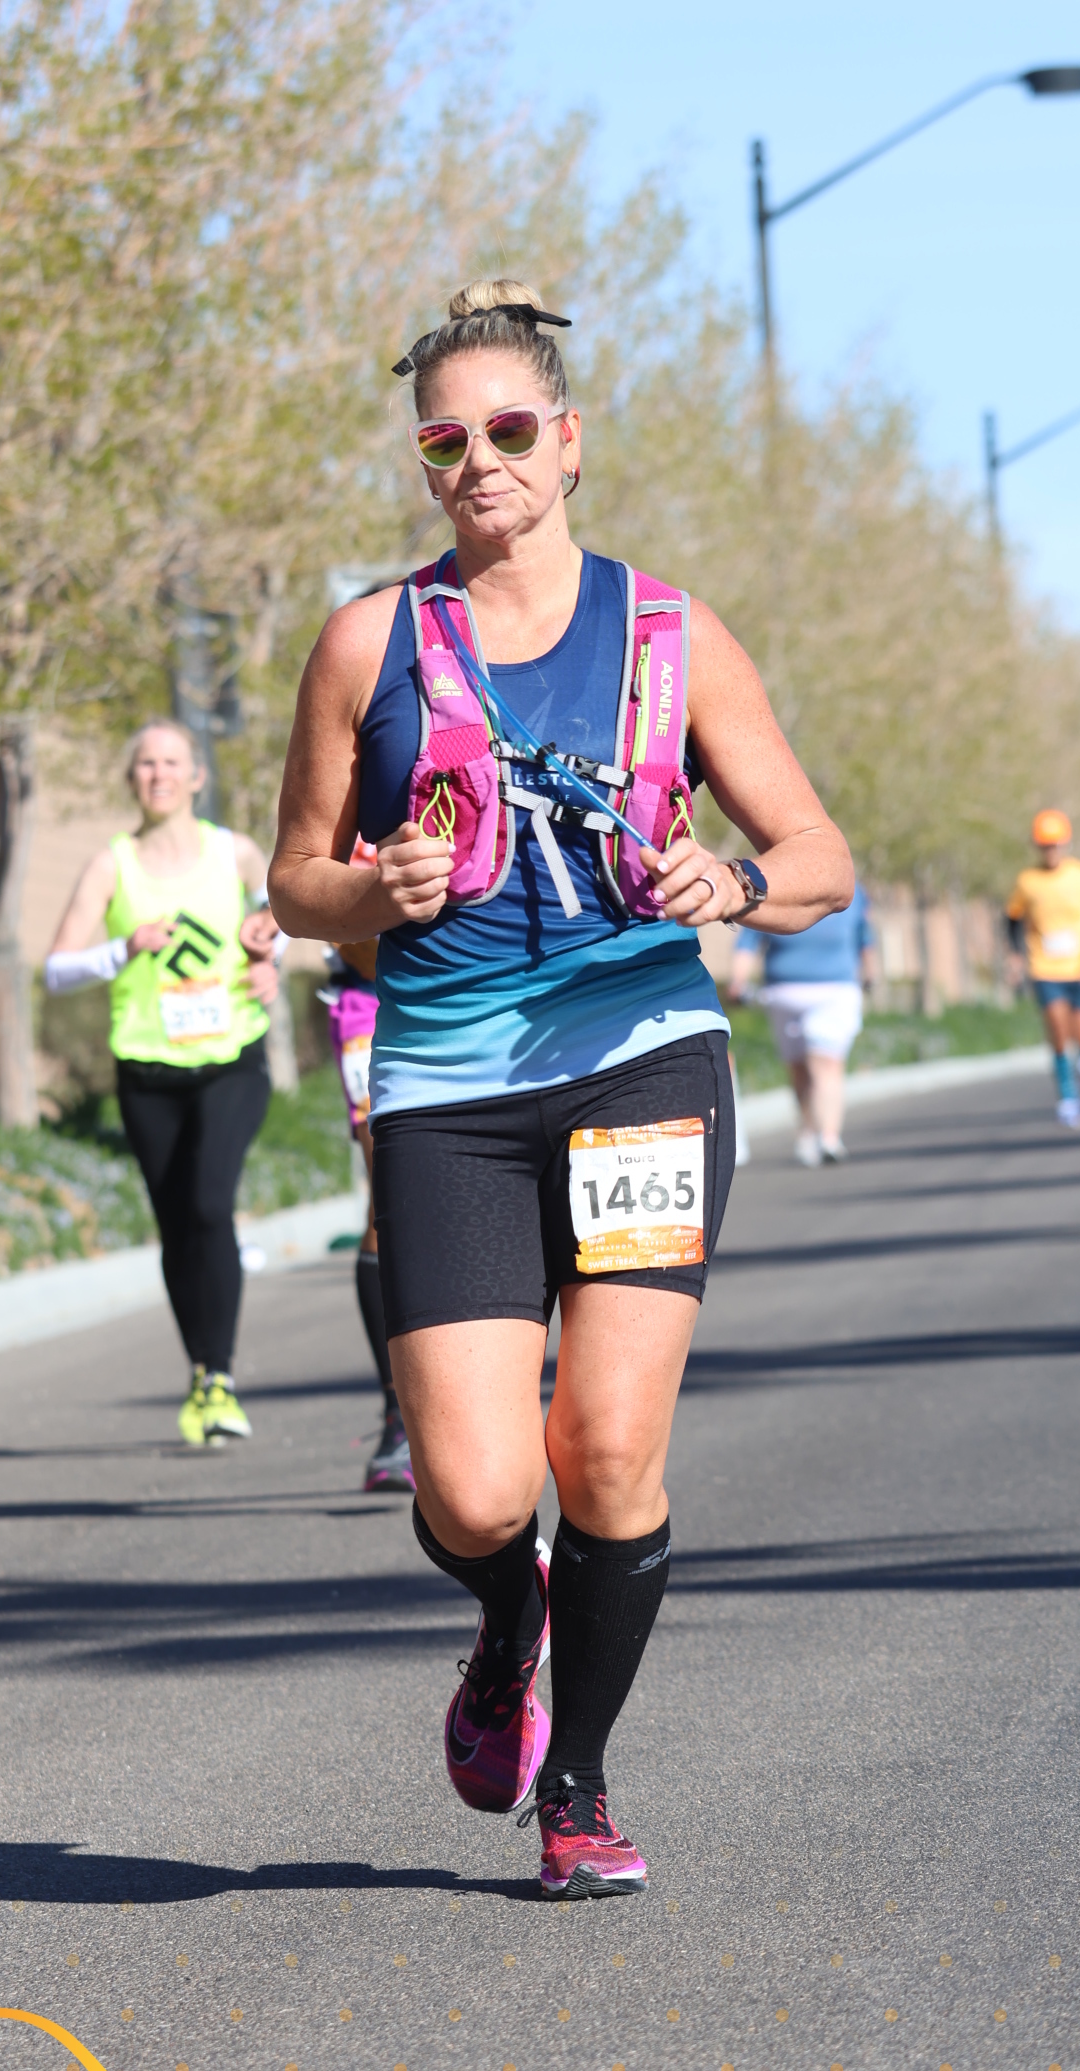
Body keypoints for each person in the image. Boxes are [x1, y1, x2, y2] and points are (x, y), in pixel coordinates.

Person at [270, 279, 852, 1900]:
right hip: (449, 1086)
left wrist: (733, 885)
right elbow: (295, 879)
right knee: (474, 1490)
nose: (482, 464)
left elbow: (819, 855)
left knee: (603, 1452)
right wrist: (371, 887)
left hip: (641, 1063)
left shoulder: (670, 634)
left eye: (511, 431)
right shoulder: (370, 643)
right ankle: (506, 1614)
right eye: (445, 441)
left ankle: (578, 1783)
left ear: (570, 443)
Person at [45, 721, 279, 1445]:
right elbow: (55, 969)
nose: (159, 774)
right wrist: (122, 948)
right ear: (132, 779)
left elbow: (287, 915)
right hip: (147, 1069)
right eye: (145, 763)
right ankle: (202, 1373)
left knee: (209, 1203)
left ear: (196, 777)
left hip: (231, 1057)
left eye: (172, 761)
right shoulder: (110, 866)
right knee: (176, 1225)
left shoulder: (234, 852)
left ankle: (223, 1375)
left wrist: (270, 953)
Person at [319, 835, 415, 1492]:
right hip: (371, 1002)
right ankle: (399, 1416)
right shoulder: (354, 792)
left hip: (487, 996)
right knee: (393, 1198)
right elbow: (302, 875)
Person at [725, 884, 876, 1164]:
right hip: (785, 994)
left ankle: (829, 1137)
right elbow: (751, 937)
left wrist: (870, 972)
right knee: (799, 1068)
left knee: (825, 1062)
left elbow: (864, 935)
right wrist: (738, 980)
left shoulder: (851, 888)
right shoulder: (772, 884)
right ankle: (810, 1129)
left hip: (834, 991)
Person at [1004, 810, 1080, 1130]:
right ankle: (1068, 1098)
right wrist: (1015, 955)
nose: (1051, 851)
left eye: (1056, 845)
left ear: (1066, 844)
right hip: (1046, 968)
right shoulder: (1027, 881)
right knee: (1059, 1033)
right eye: (1045, 846)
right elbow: (1012, 919)